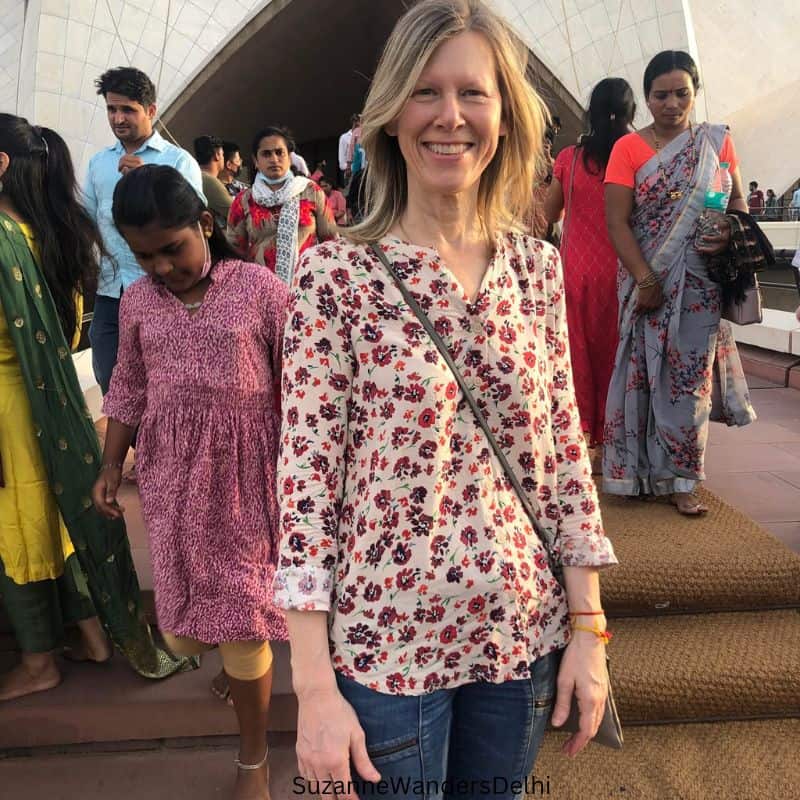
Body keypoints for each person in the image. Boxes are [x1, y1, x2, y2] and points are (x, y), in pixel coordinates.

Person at [273, 2, 618, 797]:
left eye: (474, 93)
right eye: (426, 93)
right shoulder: (336, 279)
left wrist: (589, 629)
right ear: (391, 115)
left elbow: (564, 458)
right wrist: (314, 684)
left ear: (505, 114)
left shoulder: (535, 270)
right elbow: (305, 490)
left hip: (520, 638)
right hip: (388, 655)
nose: (450, 117)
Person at [92, 165, 287, 800]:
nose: (160, 267)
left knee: (241, 615)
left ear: (205, 225)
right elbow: (128, 388)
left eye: (172, 248)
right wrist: (109, 467)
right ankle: (238, 649)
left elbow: (304, 381)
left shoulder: (259, 289)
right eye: (143, 255)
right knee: (182, 630)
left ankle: (252, 758)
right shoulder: (139, 302)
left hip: (248, 479)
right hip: (173, 482)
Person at [0, 114, 189, 702]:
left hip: (10, 408)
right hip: (36, 404)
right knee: (53, 517)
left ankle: (38, 662)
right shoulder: (42, 229)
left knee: (20, 531)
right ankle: (92, 636)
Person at [603, 50, 756, 516]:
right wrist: (645, 278)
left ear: (695, 92)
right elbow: (617, 222)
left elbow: (739, 206)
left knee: (688, 383)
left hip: (700, 284)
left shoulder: (716, 142)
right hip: (643, 276)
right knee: (641, 374)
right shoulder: (627, 149)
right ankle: (638, 474)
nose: (671, 103)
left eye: (681, 94)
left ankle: (683, 478)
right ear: (647, 98)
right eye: (660, 95)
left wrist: (729, 229)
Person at [85, 67, 204, 396]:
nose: (118, 118)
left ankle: (161, 445)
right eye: (112, 109)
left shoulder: (179, 162)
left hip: (165, 291)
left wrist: (151, 178)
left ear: (150, 110)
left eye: (128, 109)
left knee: (168, 386)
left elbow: (196, 223)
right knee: (112, 381)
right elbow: (84, 220)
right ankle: (144, 445)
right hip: (111, 294)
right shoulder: (98, 164)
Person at [544, 77, 636, 470]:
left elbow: (546, 216)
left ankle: (581, 442)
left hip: (576, 272)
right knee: (619, 355)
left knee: (577, 354)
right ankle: (620, 442)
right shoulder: (637, 157)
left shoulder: (570, 159)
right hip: (625, 271)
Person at [226, 126, 336, 284]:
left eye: (279, 152)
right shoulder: (244, 200)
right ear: (256, 161)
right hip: (260, 288)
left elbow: (331, 241)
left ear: (290, 158)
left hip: (308, 285)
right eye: (266, 154)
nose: (274, 159)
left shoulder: (311, 191)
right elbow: (234, 251)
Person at [194, 134, 232, 229]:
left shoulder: (196, 175)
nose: (223, 157)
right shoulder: (209, 182)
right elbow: (235, 213)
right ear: (217, 155)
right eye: (222, 154)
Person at [338, 114, 360, 185]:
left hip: (363, 172)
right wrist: (352, 167)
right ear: (354, 122)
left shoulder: (364, 136)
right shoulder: (344, 137)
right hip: (350, 173)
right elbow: (342, 163)